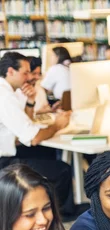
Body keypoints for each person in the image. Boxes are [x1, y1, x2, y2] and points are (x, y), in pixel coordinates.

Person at [0, 52, 75, 218]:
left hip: (11, 151)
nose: (29, 77)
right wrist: (57, 125)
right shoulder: (4, 96)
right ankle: (57, 214)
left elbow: (25, 125)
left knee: (47, 153)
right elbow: (33, 138)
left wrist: (30, 101)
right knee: (63, 169)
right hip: (4, 162)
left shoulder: (9, 91)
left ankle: (60, 206)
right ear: (10, 72)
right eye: (25, 72)